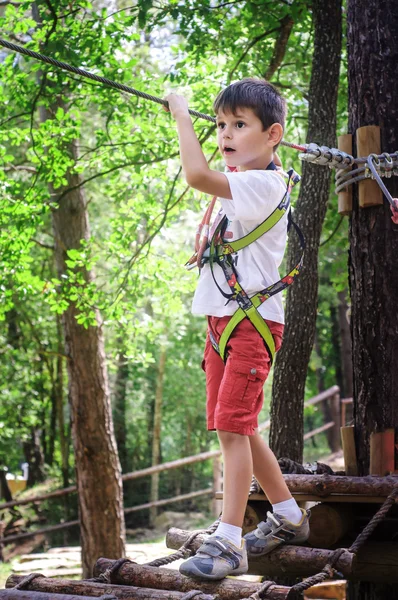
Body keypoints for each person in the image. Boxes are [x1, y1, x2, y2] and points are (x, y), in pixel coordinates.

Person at [165, 78, 310, 581]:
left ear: (273, 135)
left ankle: (228, 542)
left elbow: (195, 174)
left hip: (251, 324)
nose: (225, 134)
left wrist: (183, 114)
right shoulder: (240, 182)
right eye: (220, 125)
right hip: (222, 322)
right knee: (239, 426)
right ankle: (289, 514)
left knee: (232, 426)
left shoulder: (265, 184)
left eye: (238, 125)